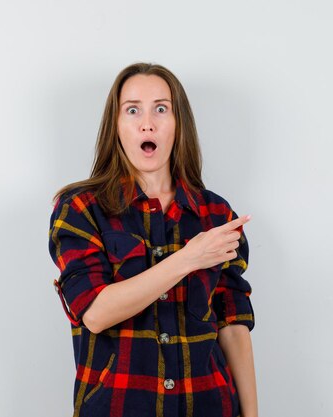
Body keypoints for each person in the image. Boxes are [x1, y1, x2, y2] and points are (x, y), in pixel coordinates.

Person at [47, 62, 257, 417]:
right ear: (116, 127)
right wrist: (188, 259)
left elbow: (233, 327)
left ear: (178, 125)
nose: (148, 122)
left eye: (161, 108)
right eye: (133, 110)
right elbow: (96, 314)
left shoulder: (216, 215)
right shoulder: (81, 209)